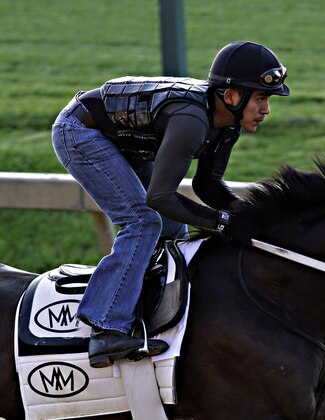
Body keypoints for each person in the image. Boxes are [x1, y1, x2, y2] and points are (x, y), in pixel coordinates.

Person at [51, 41, 290, 368]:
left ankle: (147, 313)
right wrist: (223, 222)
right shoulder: (192, 121)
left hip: (122, 138)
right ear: (231, 96)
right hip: (80, 131)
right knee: (144, 221)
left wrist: (249, 218)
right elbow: (160, 197)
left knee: (173, 229)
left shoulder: (226, 125)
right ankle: (106, 328)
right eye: (261, 98)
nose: (266, 110)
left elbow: (207, 185)